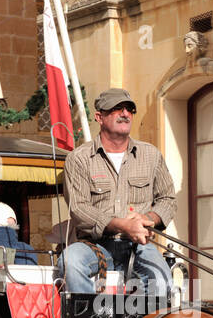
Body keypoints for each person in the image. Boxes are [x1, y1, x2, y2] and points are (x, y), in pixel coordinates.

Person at [60, 88, 177, 300]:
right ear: (99, 117)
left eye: (129, 109)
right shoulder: (79, 159)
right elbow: (78, 209)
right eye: (116, 109)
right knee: (70, 262)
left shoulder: (150, 155)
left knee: (162, 279)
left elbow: (167, 199)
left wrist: (148, 218)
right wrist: (123, 225)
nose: (125, 113)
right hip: (94, 245)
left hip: (138, 246)